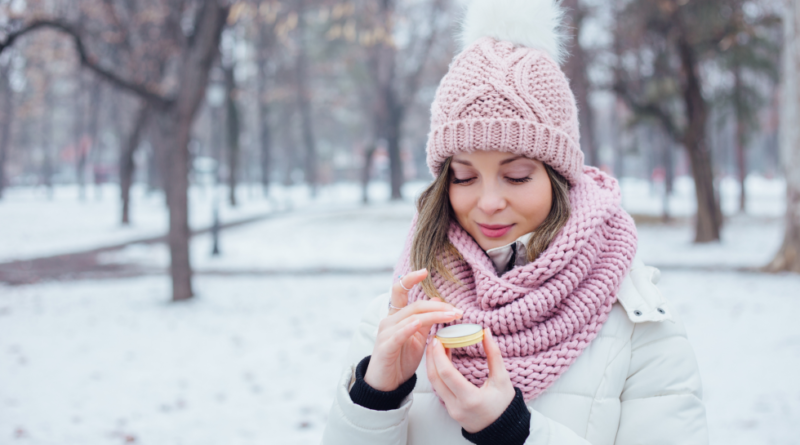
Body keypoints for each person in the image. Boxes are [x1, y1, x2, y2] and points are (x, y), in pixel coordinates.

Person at [322, 0, 708, 443]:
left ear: (558, 177)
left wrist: (514, 432)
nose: (487, 202)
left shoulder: (636, 326)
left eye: (517, 175)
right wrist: (376, 398)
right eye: (464, 176)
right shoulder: (401, 315)